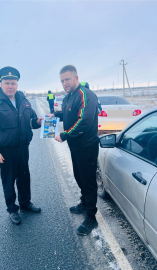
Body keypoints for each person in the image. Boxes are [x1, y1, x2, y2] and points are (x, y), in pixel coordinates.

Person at [0, 66, 43, 225]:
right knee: (8, 180)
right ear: (1, 84)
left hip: (23, 148)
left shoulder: (24, 101)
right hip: (5, 151)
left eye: (13, 83)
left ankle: (25, 203)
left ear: (17, 84)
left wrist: (38, 122)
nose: (10, 86)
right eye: (7, 83)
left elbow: (31, 121)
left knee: (24, 177)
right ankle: (12, 210)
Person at [54, 65, 99, 236]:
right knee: (79, 177)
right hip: (75, 146)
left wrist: (65, 135)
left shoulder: (86, 95)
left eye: (67, 79)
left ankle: (91, 217)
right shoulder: (68, 97)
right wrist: (54, 115)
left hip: (87, 146)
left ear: (76, 78)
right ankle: (84, 202)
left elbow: (85, 121)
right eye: (62, 81)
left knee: (88, 181)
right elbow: (67, 114)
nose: (64, 83)